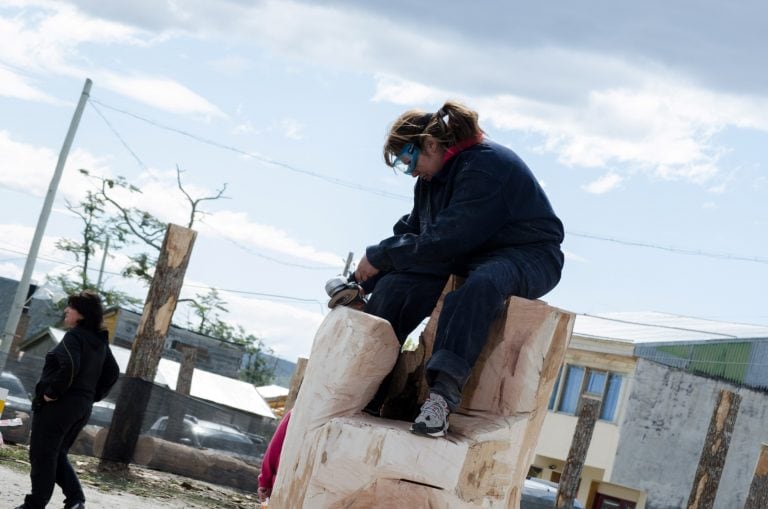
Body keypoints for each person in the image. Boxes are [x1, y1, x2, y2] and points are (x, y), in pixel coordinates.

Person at [354, 100, 564, 438]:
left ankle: (441, 396)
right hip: (470, 249)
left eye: (410, 161)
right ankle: (369, 387)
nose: (411, 172)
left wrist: (380, 254)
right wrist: (365, 279)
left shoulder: (486, 167)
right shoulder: (431, 179)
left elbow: (445, 240)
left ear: (433, 144)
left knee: (481, 286)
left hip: (529, 254)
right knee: (400, 285)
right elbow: (415, 232)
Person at [15, 290, 120, 509]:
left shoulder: (75, 336)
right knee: (56, 453)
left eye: (70, 307)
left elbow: (70, 365)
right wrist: (90, 396)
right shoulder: (99, 341)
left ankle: (35, 504)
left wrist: (52, 393)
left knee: (43, 453)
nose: (66, 310)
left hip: (59, 406)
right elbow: (113, 372)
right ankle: (76, 501)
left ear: (81, 313)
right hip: (81, 408)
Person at [257, 410, 292, 504]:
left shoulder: (296, 412)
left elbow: (275, 447)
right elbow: (275, 446)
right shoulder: (296, 412)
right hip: (281, 485)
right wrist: (265, 481)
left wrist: (265, 481)